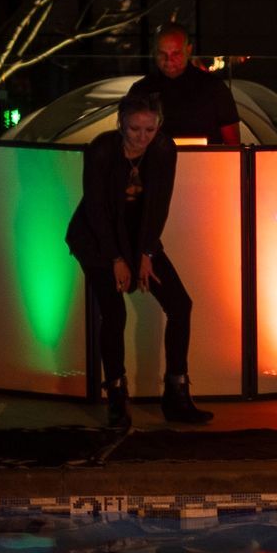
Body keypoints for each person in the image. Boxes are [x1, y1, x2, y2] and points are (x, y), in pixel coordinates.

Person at [65, 95, 214, 428]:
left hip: (139, 236)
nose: (142, 137)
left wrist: (146, 253)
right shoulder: (102, 149)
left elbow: (160, 203)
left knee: (180, 305)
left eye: (150, 129)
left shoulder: (163, 148)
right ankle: (117, 396)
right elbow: (96, 209)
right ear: (121, 123)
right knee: (113, 312)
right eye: (134, 129)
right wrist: (116, 259)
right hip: (96, 239)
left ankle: (176, 393)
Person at [125, 23, 240, 145]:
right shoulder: (141, 90)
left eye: (175, 54)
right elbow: (129, 141)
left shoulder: (214, 88)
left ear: (188, 50)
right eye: (162, 53)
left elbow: (233, 145)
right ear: (154, 52)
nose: (169, 60)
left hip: (204, 157)